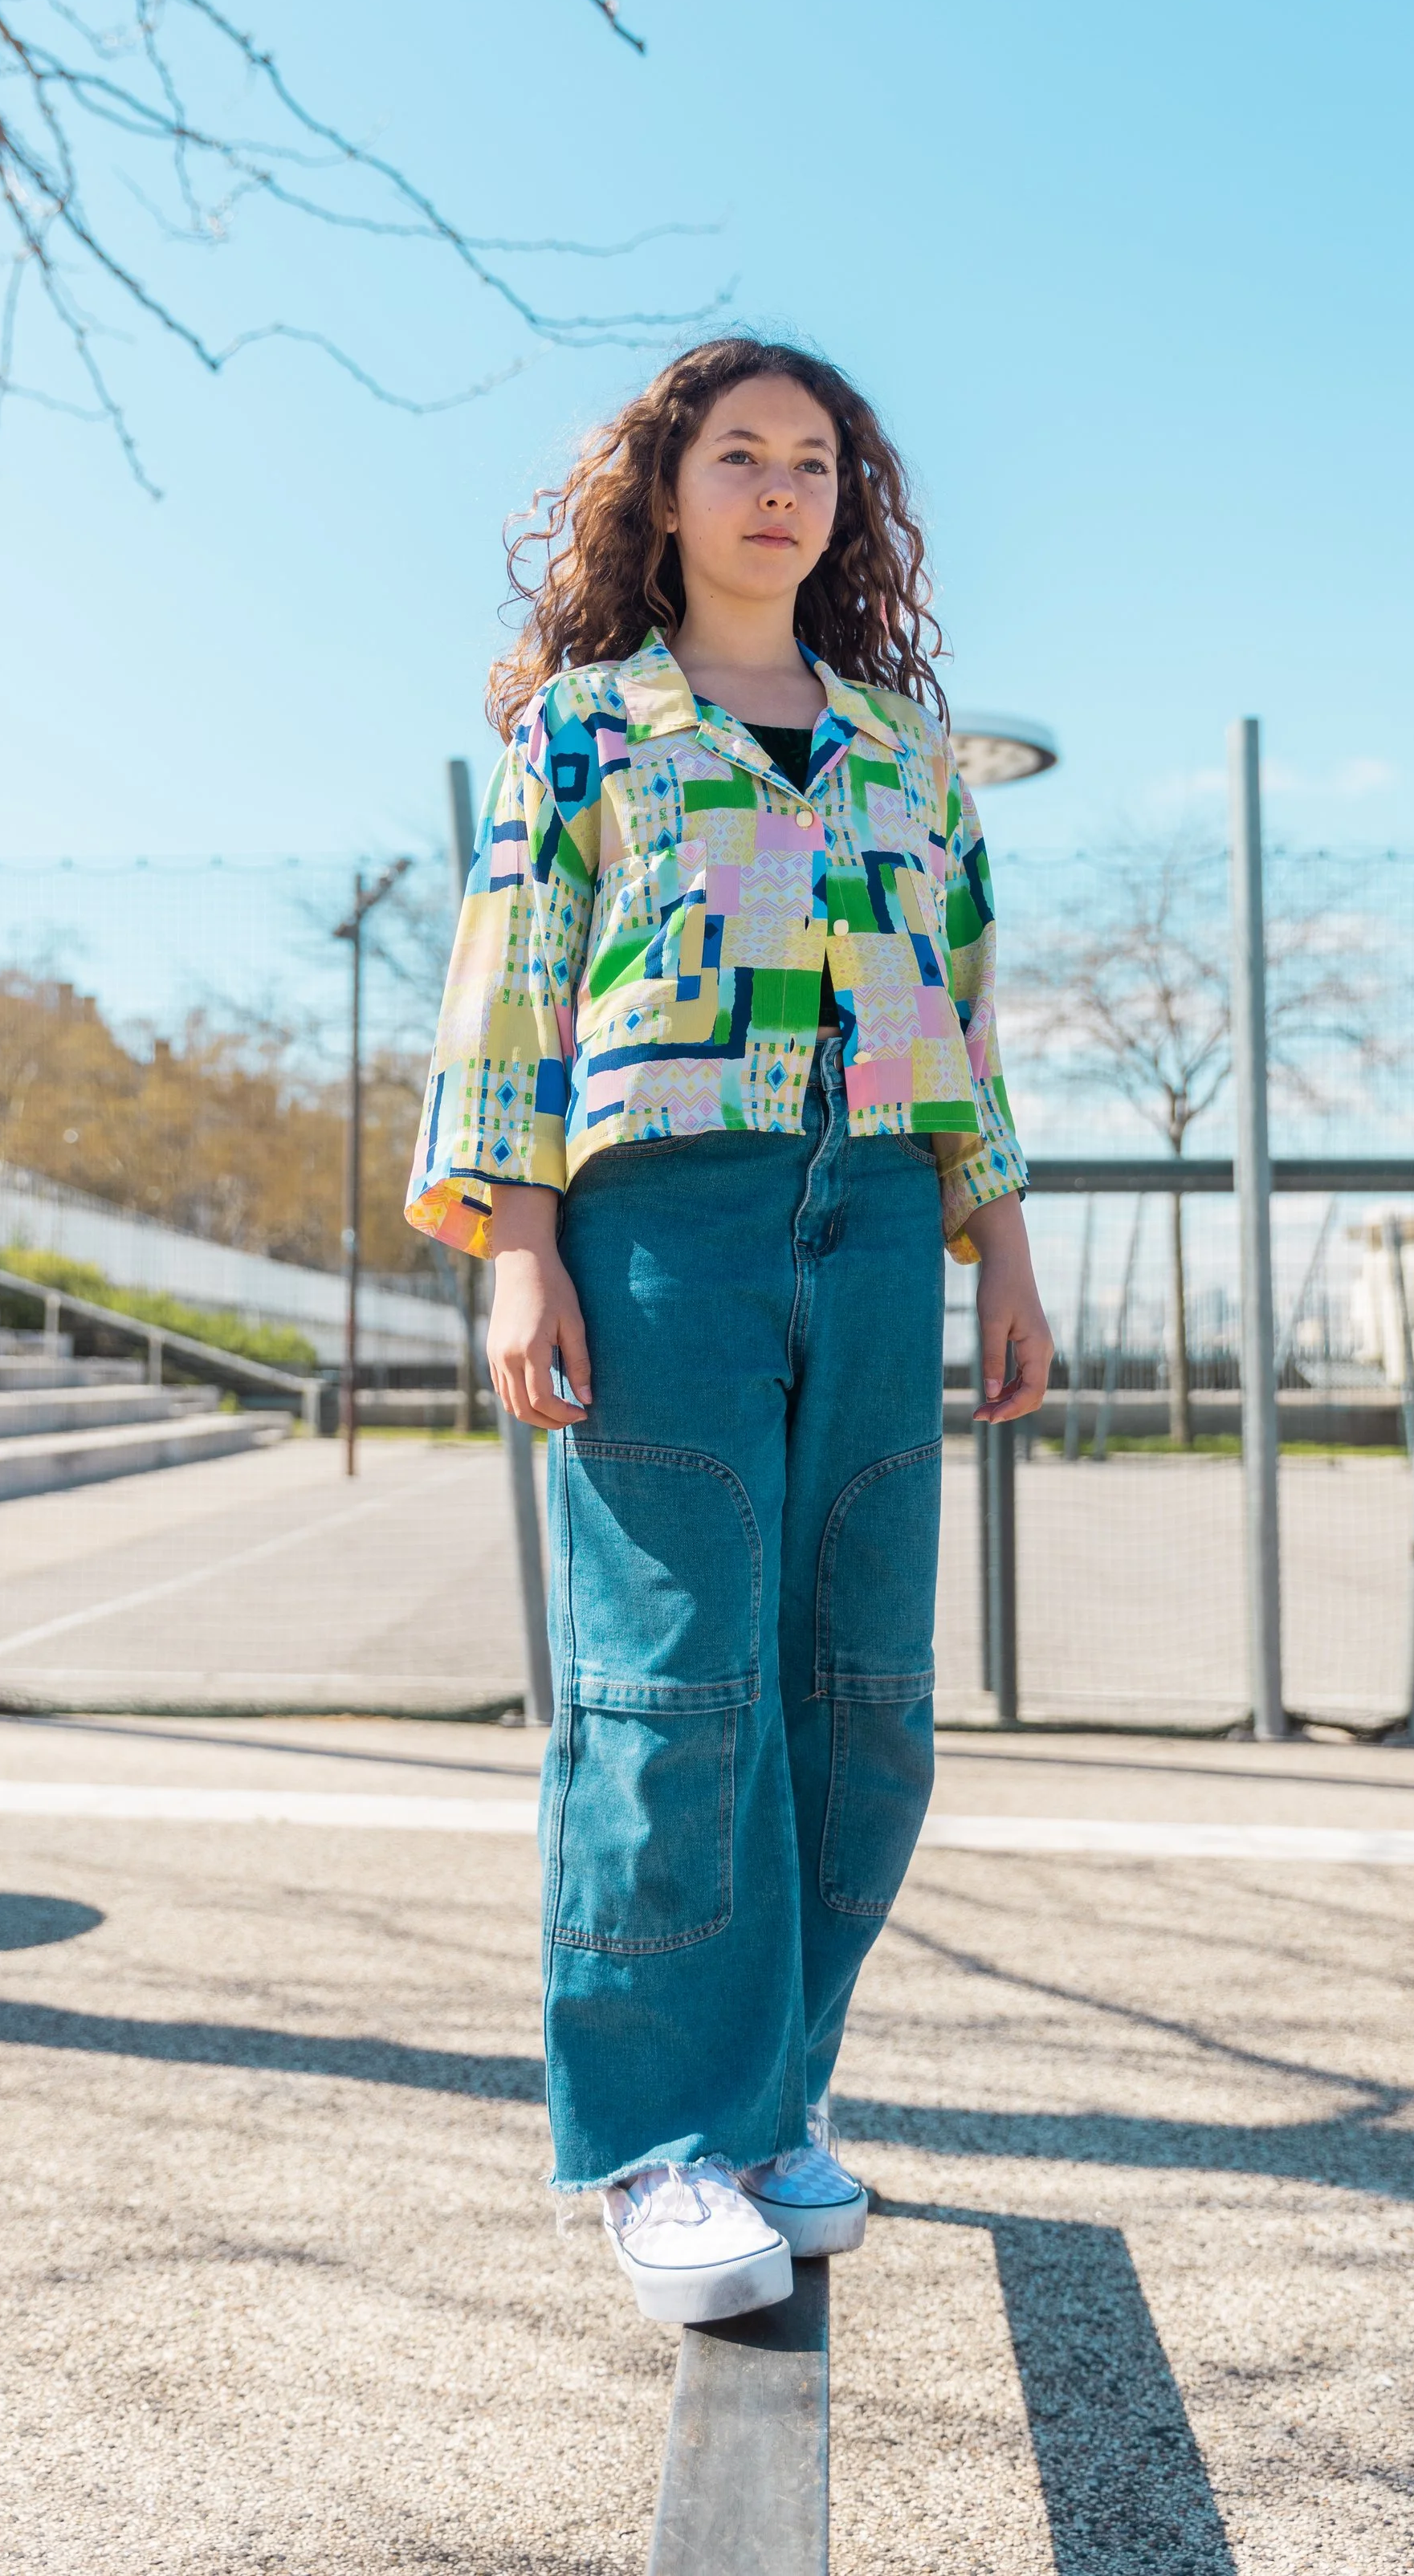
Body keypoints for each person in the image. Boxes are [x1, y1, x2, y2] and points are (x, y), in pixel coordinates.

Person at [407, 336, 1049, 2324]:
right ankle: (656, 2143)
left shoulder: (907, 753)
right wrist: (522, 1242)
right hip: (654, 1223)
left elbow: (961, 1008)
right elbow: (513, 990)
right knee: (671, 1690)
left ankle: (770, 2100)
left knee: (861, 1697)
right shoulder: (584, 731)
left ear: (845, 505)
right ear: (664, 492)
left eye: (813, 461)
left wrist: (997, 1243)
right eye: (736, 455)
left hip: (870, 1226)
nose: (779, 487)